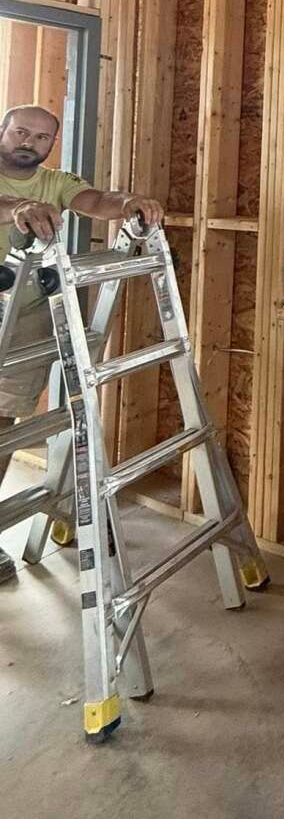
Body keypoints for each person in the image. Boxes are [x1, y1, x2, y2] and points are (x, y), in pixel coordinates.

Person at [0, 104, 164, 584]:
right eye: (20, 132)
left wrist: (130, 202)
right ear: (3, 131)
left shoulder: (55, 182)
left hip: (19, 318)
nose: (28, 142)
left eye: (41, 137)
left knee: (2, 421)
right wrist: (17, 209)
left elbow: (95, 199)